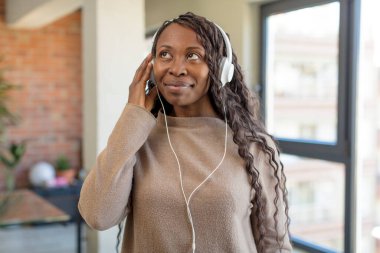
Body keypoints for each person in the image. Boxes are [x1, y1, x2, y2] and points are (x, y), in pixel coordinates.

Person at [78, 12, 292, 253]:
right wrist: (132, 117)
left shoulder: (253, 146)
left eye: (192, 55)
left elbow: (275, 244)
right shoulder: (136, 137)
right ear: (150, 66)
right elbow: (97, 216)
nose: (176, 68)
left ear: (221, 68)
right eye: (165, 54)